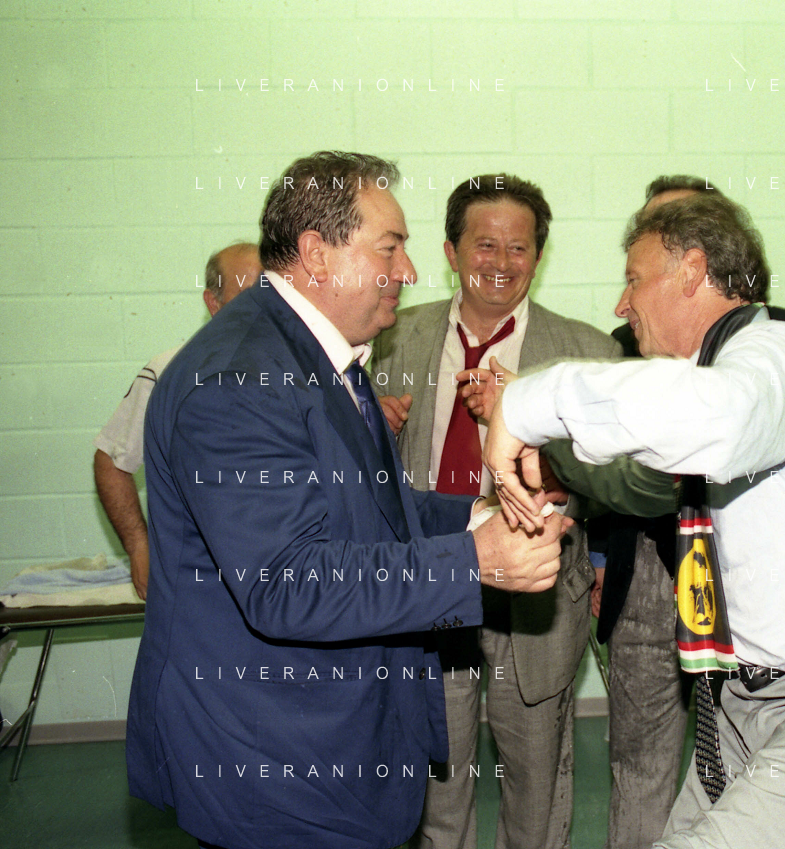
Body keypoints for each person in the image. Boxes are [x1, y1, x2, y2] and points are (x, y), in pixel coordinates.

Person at [479, 193, 785, 849]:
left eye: (633, 280)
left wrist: (526, 400)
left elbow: (717, 420)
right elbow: (642, 480)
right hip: (763, 696)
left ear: (691, 270)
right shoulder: (724, 384)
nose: (621, 305)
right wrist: (550, 453)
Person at [125, 152, 567, 849]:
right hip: (274, 759)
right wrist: (472, 561)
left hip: (328, 737)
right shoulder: (240, 378)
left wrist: (481, 514)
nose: (410, 271)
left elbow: (372, 508)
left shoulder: (320, 357)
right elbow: (287, 581)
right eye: (389, 248)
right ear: (316, 255)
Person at [372, 173, 620, 849]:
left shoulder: (588, 352)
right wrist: (372, 431)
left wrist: (550, 452)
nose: (501, 262)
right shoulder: (390, 339)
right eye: (484, 245)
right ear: (451, 252)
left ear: (538, 255)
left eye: (519, 247)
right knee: (437, 768)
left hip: (538, 589)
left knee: (536, 775)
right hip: (433, 577)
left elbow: (617, 481)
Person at [93, 242, 260, 599]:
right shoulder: (170, 372)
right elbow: (111, 461)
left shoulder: (308, 373)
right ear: (214, 304)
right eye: (248, 296)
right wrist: (139, 547)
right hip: (198, 586)